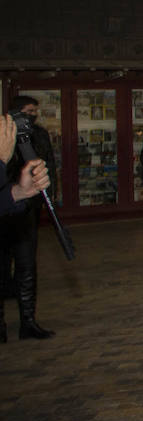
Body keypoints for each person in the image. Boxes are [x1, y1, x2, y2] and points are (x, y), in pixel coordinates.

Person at [1, 97, 56, 340]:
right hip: (5, 208)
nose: (31, 116)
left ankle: (28, 321)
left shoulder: (40, 135)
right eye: (27, 112)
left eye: (35, 112)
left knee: (26, 266)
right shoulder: (4, 137)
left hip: (27, 209)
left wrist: (46, 195)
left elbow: (48, 165)